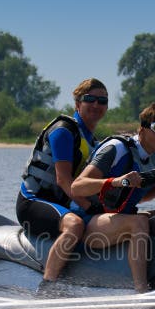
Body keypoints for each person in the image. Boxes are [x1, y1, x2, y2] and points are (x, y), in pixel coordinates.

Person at [71, 102, 155, 293]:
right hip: (88, 221)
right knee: (139, 223)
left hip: (115, 217)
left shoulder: (151, 156)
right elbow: (77, 187)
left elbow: (138, 199)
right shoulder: (116, 149)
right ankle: (141, 291)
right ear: (143, 129)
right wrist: (117, 181)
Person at [16, 78, 108, 290]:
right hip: (33, 202)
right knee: (75, 225)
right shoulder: (64, 131)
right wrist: (89, 207)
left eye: (102, 101)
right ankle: (47, 288)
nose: (96, 104)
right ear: (77, 103)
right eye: (90, 99)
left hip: (61, 204)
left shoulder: (93, 141)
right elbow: (64, 180)